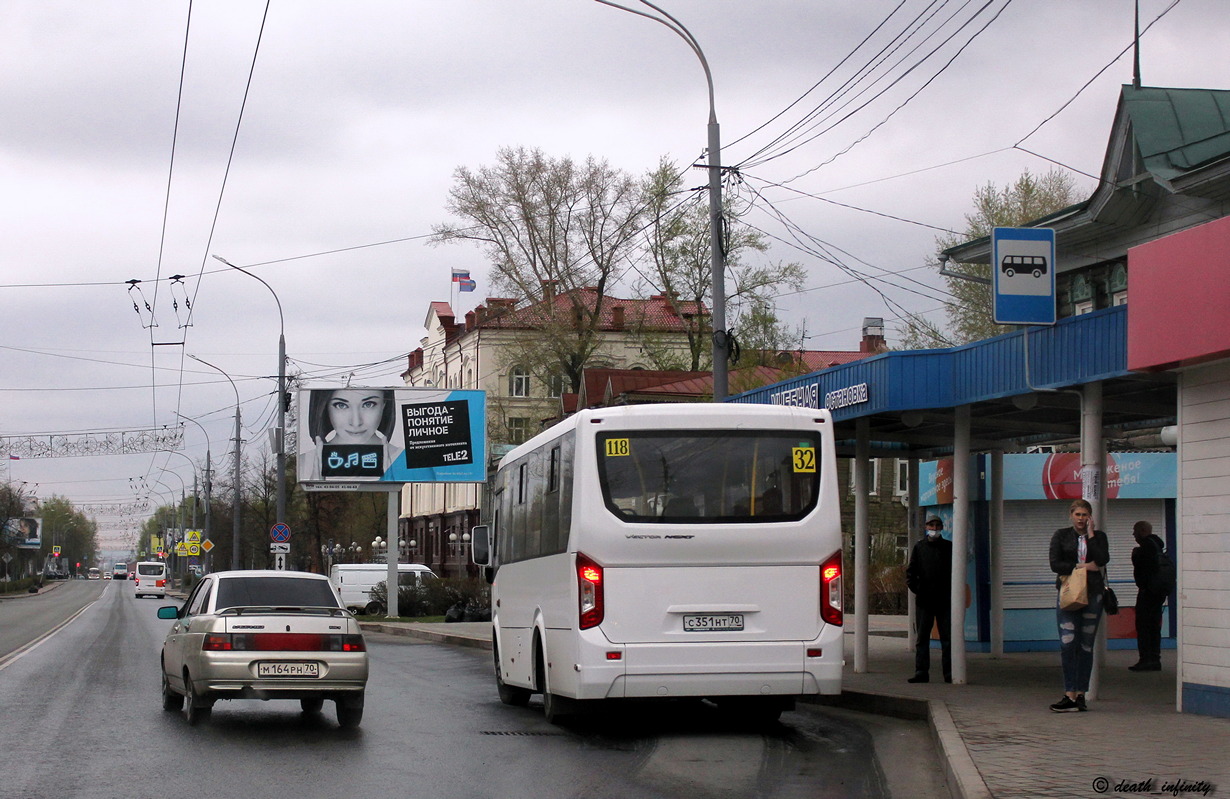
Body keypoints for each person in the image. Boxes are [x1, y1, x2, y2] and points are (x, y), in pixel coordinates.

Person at [1048, 498, 1109, 712]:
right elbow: (1055, 564)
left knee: (1085, 646)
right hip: (1068, 593)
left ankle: (1081, 694)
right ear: (1071, 515)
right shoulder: (1061, 535)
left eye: (1085, 515)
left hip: (1093, 594)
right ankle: (1069, 693)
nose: (1081, 519)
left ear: (1090, 517)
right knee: (1068, 643)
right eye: (1078, 515)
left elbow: (1102, 559)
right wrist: (1082, 565)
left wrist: (1091, 535)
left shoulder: (1099, 536)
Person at [302, 388, 400, 480]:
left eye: (368, 404)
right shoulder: (303, 463)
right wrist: (315, 487)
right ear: (324, 406)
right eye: (341, 405)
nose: (356, 422)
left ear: (384, 404)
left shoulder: (404, 460)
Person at [905, 515, 952, 684]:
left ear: (942, 527)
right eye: (931, 524)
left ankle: (950, 673)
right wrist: (918, 590)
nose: (934, 528)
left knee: (947, 638)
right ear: (926, 526)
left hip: (944, 600)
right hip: (925, 601)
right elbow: (911, 572)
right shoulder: (920, 547)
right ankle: (921, 672)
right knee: (922, 637)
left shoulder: (949, 547)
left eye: (937, 524)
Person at [1129, 520, 1167, 672]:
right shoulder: (1158, 545)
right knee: (1154, 626)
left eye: (1135, 531)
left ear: (1143, 531)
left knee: (1144, 625)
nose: (1133, 534)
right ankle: (1154, 658)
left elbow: (1143, 569)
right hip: (1158, 592)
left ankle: (1146, 659)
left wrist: (1135, 556)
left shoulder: (1146, 547)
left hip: (1148, 592)